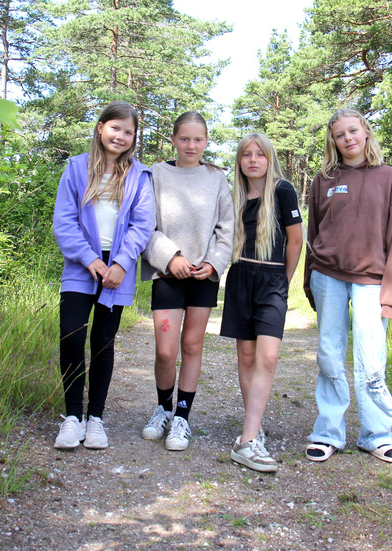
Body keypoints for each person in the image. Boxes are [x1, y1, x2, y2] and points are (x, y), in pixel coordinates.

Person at [302, 108, 392, 464]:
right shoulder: (324, 180)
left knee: (371, 361)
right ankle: (328, 433)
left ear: (365, 133)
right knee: (329, 357)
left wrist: (391, 295)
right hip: (328, 277)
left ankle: (376, 435)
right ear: (333, 141)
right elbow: (313, 235)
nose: (347, 138)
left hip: (372, 283)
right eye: (339, 134)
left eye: (353, 131)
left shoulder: (388, 177)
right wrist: (309, 281)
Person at [52, 101, 155, 450]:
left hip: (118, 269)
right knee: (70, 336)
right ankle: (71, 417)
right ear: (100, 128)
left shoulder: (139, 176)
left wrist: (122, 263)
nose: (121, 136)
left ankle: (95, 417)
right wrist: (89, 259)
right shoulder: (77, 169)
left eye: (129, 132)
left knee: (103, 342)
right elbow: (64, 222)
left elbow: (143, 226)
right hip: (82, 266)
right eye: (115, 128)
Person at [140, 111, 234, 451]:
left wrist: (212, 263)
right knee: (167, 351)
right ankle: (162, 408)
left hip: (203, 275)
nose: (191, 145)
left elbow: (226, 229)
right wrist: (171, 257)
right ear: (173, 140)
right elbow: (144, 226)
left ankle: (182, 416)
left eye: (198, 139)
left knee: (192, 346)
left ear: (206, 142)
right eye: (184, 139)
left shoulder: (216, 178)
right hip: (168, 272)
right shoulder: (156, 175)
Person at [220, 133, 303, 472]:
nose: (253, 160)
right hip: (240, 278)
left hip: (272, 281)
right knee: (247, 355)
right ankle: (251, 433)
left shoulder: (282, 190)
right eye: (246, 155)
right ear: (239, 161)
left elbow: (296, 241)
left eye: (260, 154)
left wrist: (284, 282)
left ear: (270, 159)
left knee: (267, 358)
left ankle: (247, 441)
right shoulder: (234, 195)